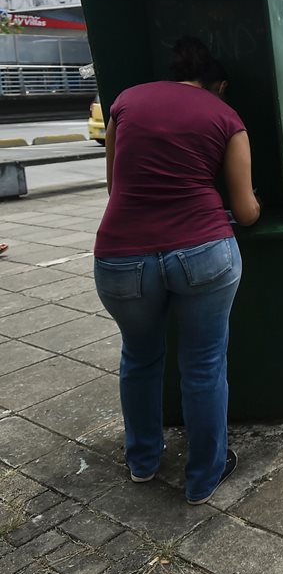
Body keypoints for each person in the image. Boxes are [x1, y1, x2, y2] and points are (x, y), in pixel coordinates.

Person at [93, 37, 260, 505]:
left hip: (122, 255)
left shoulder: (125, 101)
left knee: (140, 357)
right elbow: (245, 212)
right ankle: (203, 476)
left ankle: (143, 461)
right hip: (202, 252)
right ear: (219, 85)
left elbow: (114, 185)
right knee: (203, 364)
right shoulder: (225, 117)